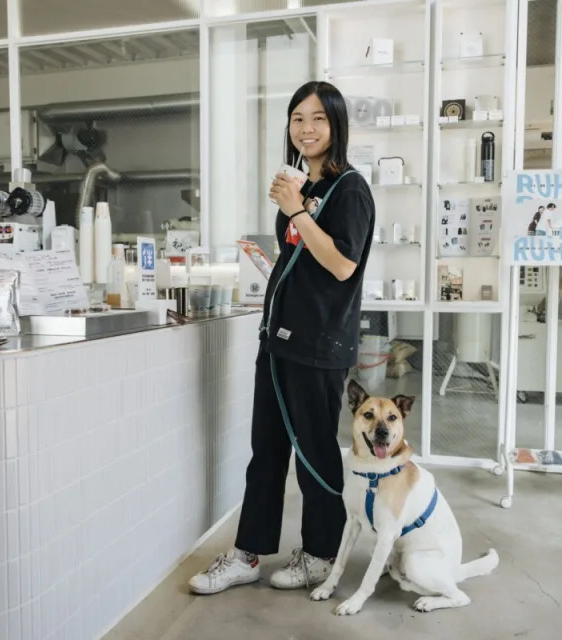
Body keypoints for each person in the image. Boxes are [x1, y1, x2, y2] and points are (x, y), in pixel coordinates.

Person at [188, 81, 376, 594]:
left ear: (336, 125)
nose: (306, 128)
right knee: (265, 450)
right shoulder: (302, 185)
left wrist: (295, 210)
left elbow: (341, 265)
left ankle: (320, 555)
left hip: (318, 344)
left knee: (314, 452)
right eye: (297, 118)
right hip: (278, 339)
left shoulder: (350, 189)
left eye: (318, 118)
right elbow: (300, 256)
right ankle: (248, 553)